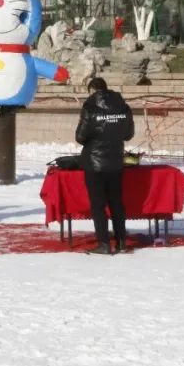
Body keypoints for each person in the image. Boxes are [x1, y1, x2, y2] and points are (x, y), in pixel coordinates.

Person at [75, 77, 135, 255]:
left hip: (94, 163)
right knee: (116, 202)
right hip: (115, 161)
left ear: (92, 90)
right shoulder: (123, 106)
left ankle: (103, 244)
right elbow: (128, 134)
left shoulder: (90, 107)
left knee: (98, 205)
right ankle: (122, 242)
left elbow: (80, 137)